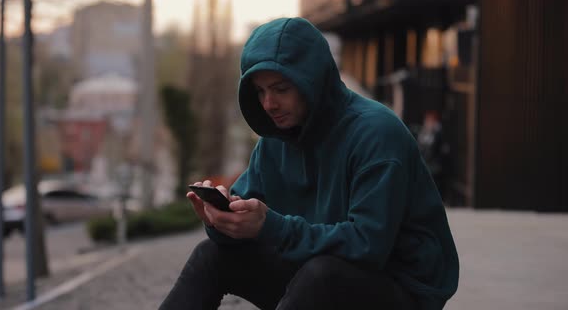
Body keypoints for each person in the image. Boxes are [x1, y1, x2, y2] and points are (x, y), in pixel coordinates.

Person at [159, 17, 458, 310]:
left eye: (280, 89)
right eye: (260, 91)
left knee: (320, 276)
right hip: (315, 273)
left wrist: (271, 227)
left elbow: (368, 246)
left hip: (400, 286)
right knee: (211, 254)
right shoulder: (275, 140)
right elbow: (251, 220)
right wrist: (223, 221)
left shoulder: (377, 134)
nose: (268, 104)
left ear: (313, 81)